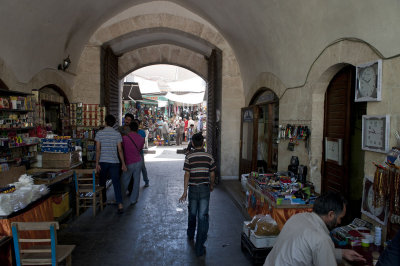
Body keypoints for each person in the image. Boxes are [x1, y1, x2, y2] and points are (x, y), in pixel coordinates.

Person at [264, 192, 366, 266]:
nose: (339, 222)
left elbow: (310, 249)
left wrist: (342, 253)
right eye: (340, 218)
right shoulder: (322, 238)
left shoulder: (298, 217)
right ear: (331, 214)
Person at [179, 133, 216, 257]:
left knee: (192, 212)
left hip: (193, 189)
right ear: (203, 143)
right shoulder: (209, 157)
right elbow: (212, 174)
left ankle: (190, 234)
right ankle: (199, 247)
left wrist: (185, 191)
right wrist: (211, 185)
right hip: (205, 189)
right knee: (203, 217)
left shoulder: (189, 157)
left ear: (193, 143)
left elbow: (187, 175)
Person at [95, 114, 127, 214]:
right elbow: (120, 150)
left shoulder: (99, 133)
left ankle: (103, 202)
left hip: (103, 161)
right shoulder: (117, 134)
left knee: (102, 183)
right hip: (114, 162)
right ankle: (120, 204)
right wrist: (123, 163)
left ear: (105, 122)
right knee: (116, 183)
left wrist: (97, 163)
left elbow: (98, 150)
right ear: (113, 124)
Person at [120, 121, 144, 206]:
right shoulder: (141, 139)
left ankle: (120, 198)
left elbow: (121, 148)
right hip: (138, 161)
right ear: (137, 129)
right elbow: (140, 149)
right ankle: (133, 200)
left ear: (129, 128)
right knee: (136, 181)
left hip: (128, 162)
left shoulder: (125, 138)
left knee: (125, 181)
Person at [135, 119, 149, 187]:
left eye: (137, 123)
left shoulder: (141, 132)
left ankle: (146, 181)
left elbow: (142, 143)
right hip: (132, 153)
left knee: (142, 167)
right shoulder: (130, 132)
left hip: (139, 152)